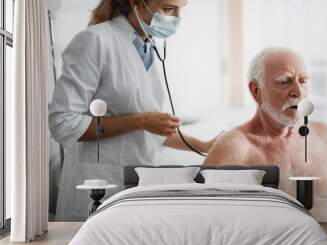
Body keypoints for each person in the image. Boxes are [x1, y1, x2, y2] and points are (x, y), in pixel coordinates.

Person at [49, 0, 219, 221]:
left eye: (180, 10)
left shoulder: (147, 47)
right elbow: (63, 124)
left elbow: (150, 130)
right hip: (97, 184)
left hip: (133, 184)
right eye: (168, 8)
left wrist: (203, 146)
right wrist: (140, 121)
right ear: (137, 3)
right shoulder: (96, 41)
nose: (176, 18)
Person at [203, 47, 327, 221]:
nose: (298, 92)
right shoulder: (235, 147)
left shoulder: (326, 137)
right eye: (285, 82)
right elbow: (201, 219)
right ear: (256, 91)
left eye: (303, 81)